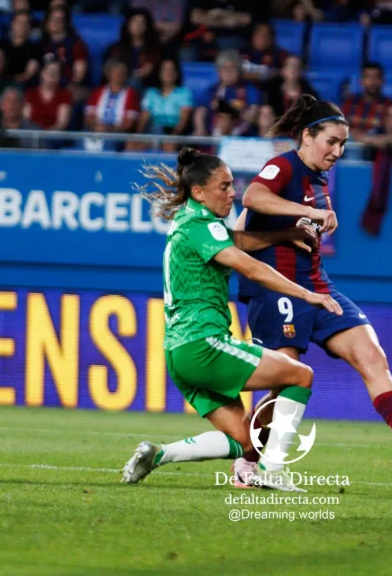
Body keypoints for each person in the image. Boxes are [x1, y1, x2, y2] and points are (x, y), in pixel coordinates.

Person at [231, 95, 392, 480]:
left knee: (372, 354)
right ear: (307, 135)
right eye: (331, 142)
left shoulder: (317, 180)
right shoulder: (282, 165)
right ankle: (248, 460)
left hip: (318, 286)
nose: (337, 151)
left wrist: (313, 216)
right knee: (285, 384)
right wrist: (310, 212)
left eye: (342, 145)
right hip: (277, 291)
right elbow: (252, 197)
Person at [121, 148, 340, 492]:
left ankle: (158, 454)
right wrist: (306, 293)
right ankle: (274, 470)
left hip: (178, 353)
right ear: (199, 192)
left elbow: (237, 241)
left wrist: (284, 235)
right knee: (300, 375)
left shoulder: (189, 221)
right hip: (203, 344)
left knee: (244, 442)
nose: (232, 192)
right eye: (224, 186)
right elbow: (249, 265)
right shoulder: (201, 224)